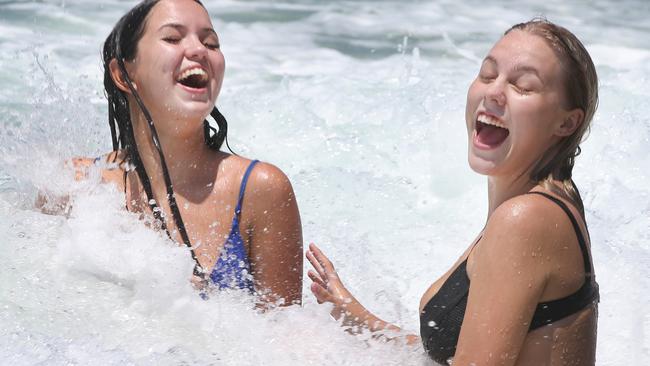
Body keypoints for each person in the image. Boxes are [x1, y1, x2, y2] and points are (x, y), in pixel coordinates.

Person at [307, 19, 599, 365]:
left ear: (566, 123)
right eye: (488, 75)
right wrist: (356, 317)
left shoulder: (525, 220)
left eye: (522, 86)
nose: (493, 92)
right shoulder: (545, 206)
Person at [70, 0, 302, 305]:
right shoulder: (80, 185)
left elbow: (285, 338)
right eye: (172, 38)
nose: (199, 51)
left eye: (211, 43)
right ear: (124, 74)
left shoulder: (261, 191)